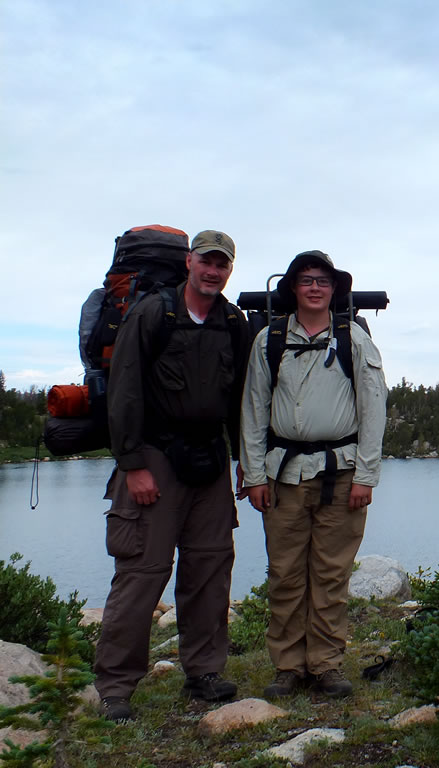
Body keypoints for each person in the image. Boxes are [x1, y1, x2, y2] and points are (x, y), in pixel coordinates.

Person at [94, 230, 250, 722]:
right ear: (189, 261)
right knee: (142, 573)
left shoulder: (232, 321)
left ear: (229, 270)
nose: (213, 270)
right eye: (206, 260)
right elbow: (124, 392)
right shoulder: (151, 313)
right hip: (155, 458)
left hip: (210, 460)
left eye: (222, 264)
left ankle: (204, 671)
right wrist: (133, 464)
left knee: (209, 569)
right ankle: (116, 686)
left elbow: (243, 397)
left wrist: (247, 458)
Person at [239, 250, 386, 699]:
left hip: (340, 474)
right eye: (307, 280)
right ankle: (287, 666)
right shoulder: (269, 339)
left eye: (324, 280)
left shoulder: (353, 339)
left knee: (330, 574)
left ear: (334, 288)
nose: (316, 287)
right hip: (282, 475)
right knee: (284, 573)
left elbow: (373, 408)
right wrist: (254, 474)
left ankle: (325, 665)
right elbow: (253, 408)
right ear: (294, 288)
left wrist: (367, 475)